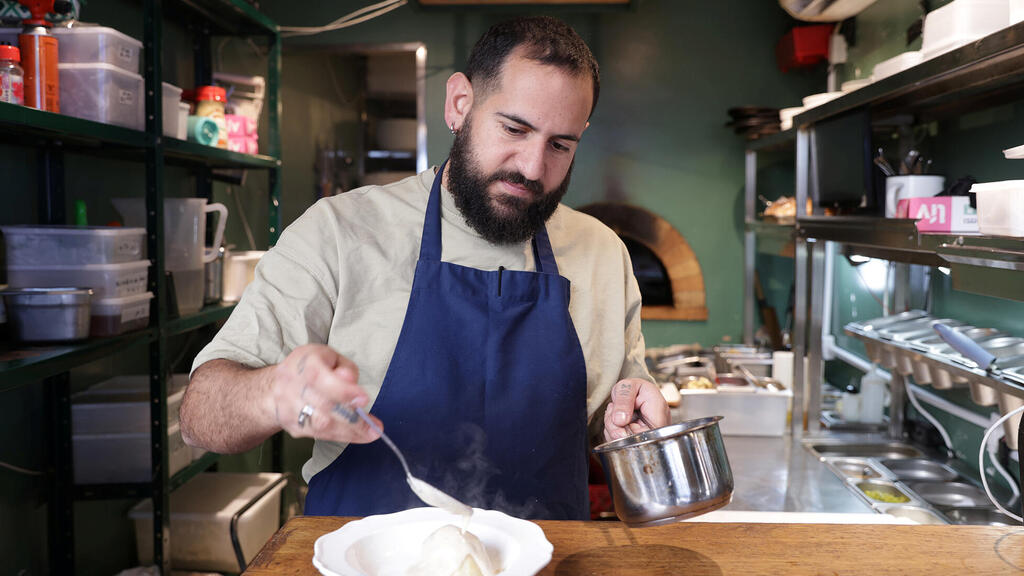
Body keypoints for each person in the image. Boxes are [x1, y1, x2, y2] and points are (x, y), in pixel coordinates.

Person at [180, 15, 668, 520]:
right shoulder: (340, 232)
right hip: (366, 558)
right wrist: (273, 394)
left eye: (561, 145)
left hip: (546, 559)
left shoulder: (603, 254)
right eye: (514, 129)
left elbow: (618, 421)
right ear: (460, 104)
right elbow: (199, 418)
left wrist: (630, 427)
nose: (532, 166)